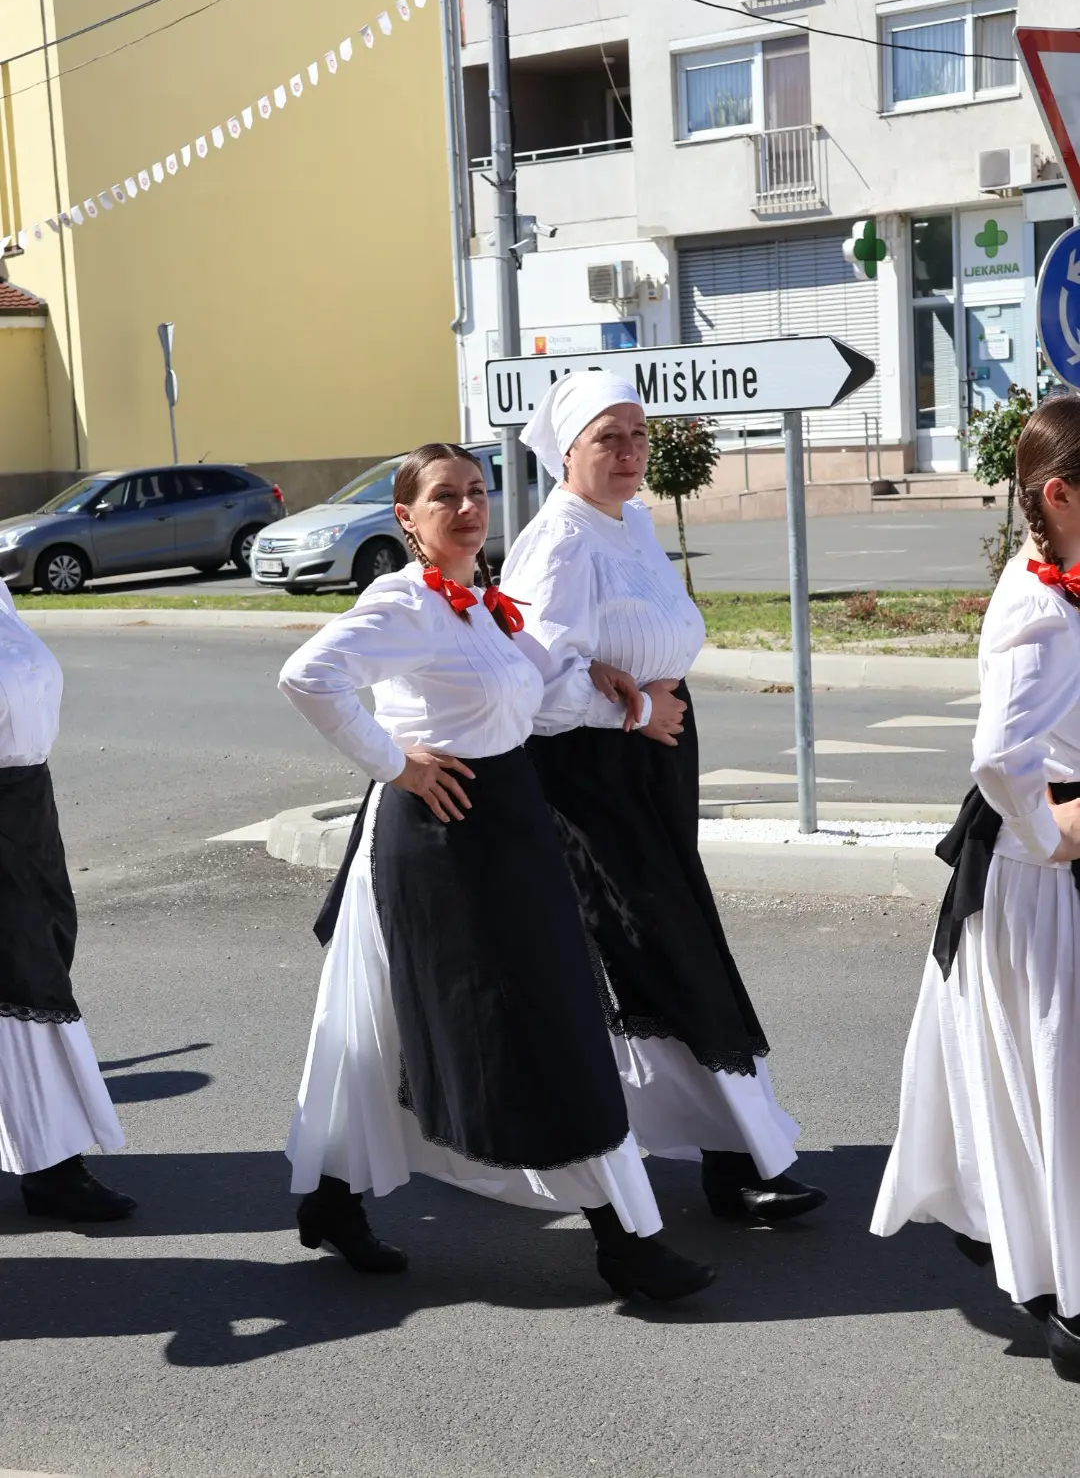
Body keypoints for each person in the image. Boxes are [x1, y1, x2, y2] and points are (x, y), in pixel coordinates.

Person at [278, 443, 715, 1302]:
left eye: (478, 492)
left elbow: (540, 700)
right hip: (445, 838)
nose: (469, 508)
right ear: (406, 518)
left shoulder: (486, 605)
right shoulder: (405, 600)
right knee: (549, 1028)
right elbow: (308, 675)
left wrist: (610, 690)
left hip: (510, 827)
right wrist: (392, 761)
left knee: (384, 1028)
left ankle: (330, 1195)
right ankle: (625, 1238)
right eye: (445, 497)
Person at [501, 369, 824, 1224]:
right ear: (566, 452)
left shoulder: (632, 522)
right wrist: (634, 704)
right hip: (590, 776)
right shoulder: (560, 540)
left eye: (638, 435)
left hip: (651, 763)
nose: (629, 452)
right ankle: (723, 1156)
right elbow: (527, 682)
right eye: (608, 438)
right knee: (657, 949)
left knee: (675, 945)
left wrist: (642, 699)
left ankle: (730, 1151)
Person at [871, 397, 1080, 1382]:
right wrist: (1052, 834)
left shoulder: (1060, 583)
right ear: (1060, 495)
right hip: (1042, 879)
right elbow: (1002, 756)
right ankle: (1066, 1294)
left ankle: (1034, 1250)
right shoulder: (1040, 608)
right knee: (1058, 1075)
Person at [0, 577, 132, 1221]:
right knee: (31, 981)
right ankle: (55, 1168)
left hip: (27, 804)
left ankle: (45, 1158)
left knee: (42, 957)